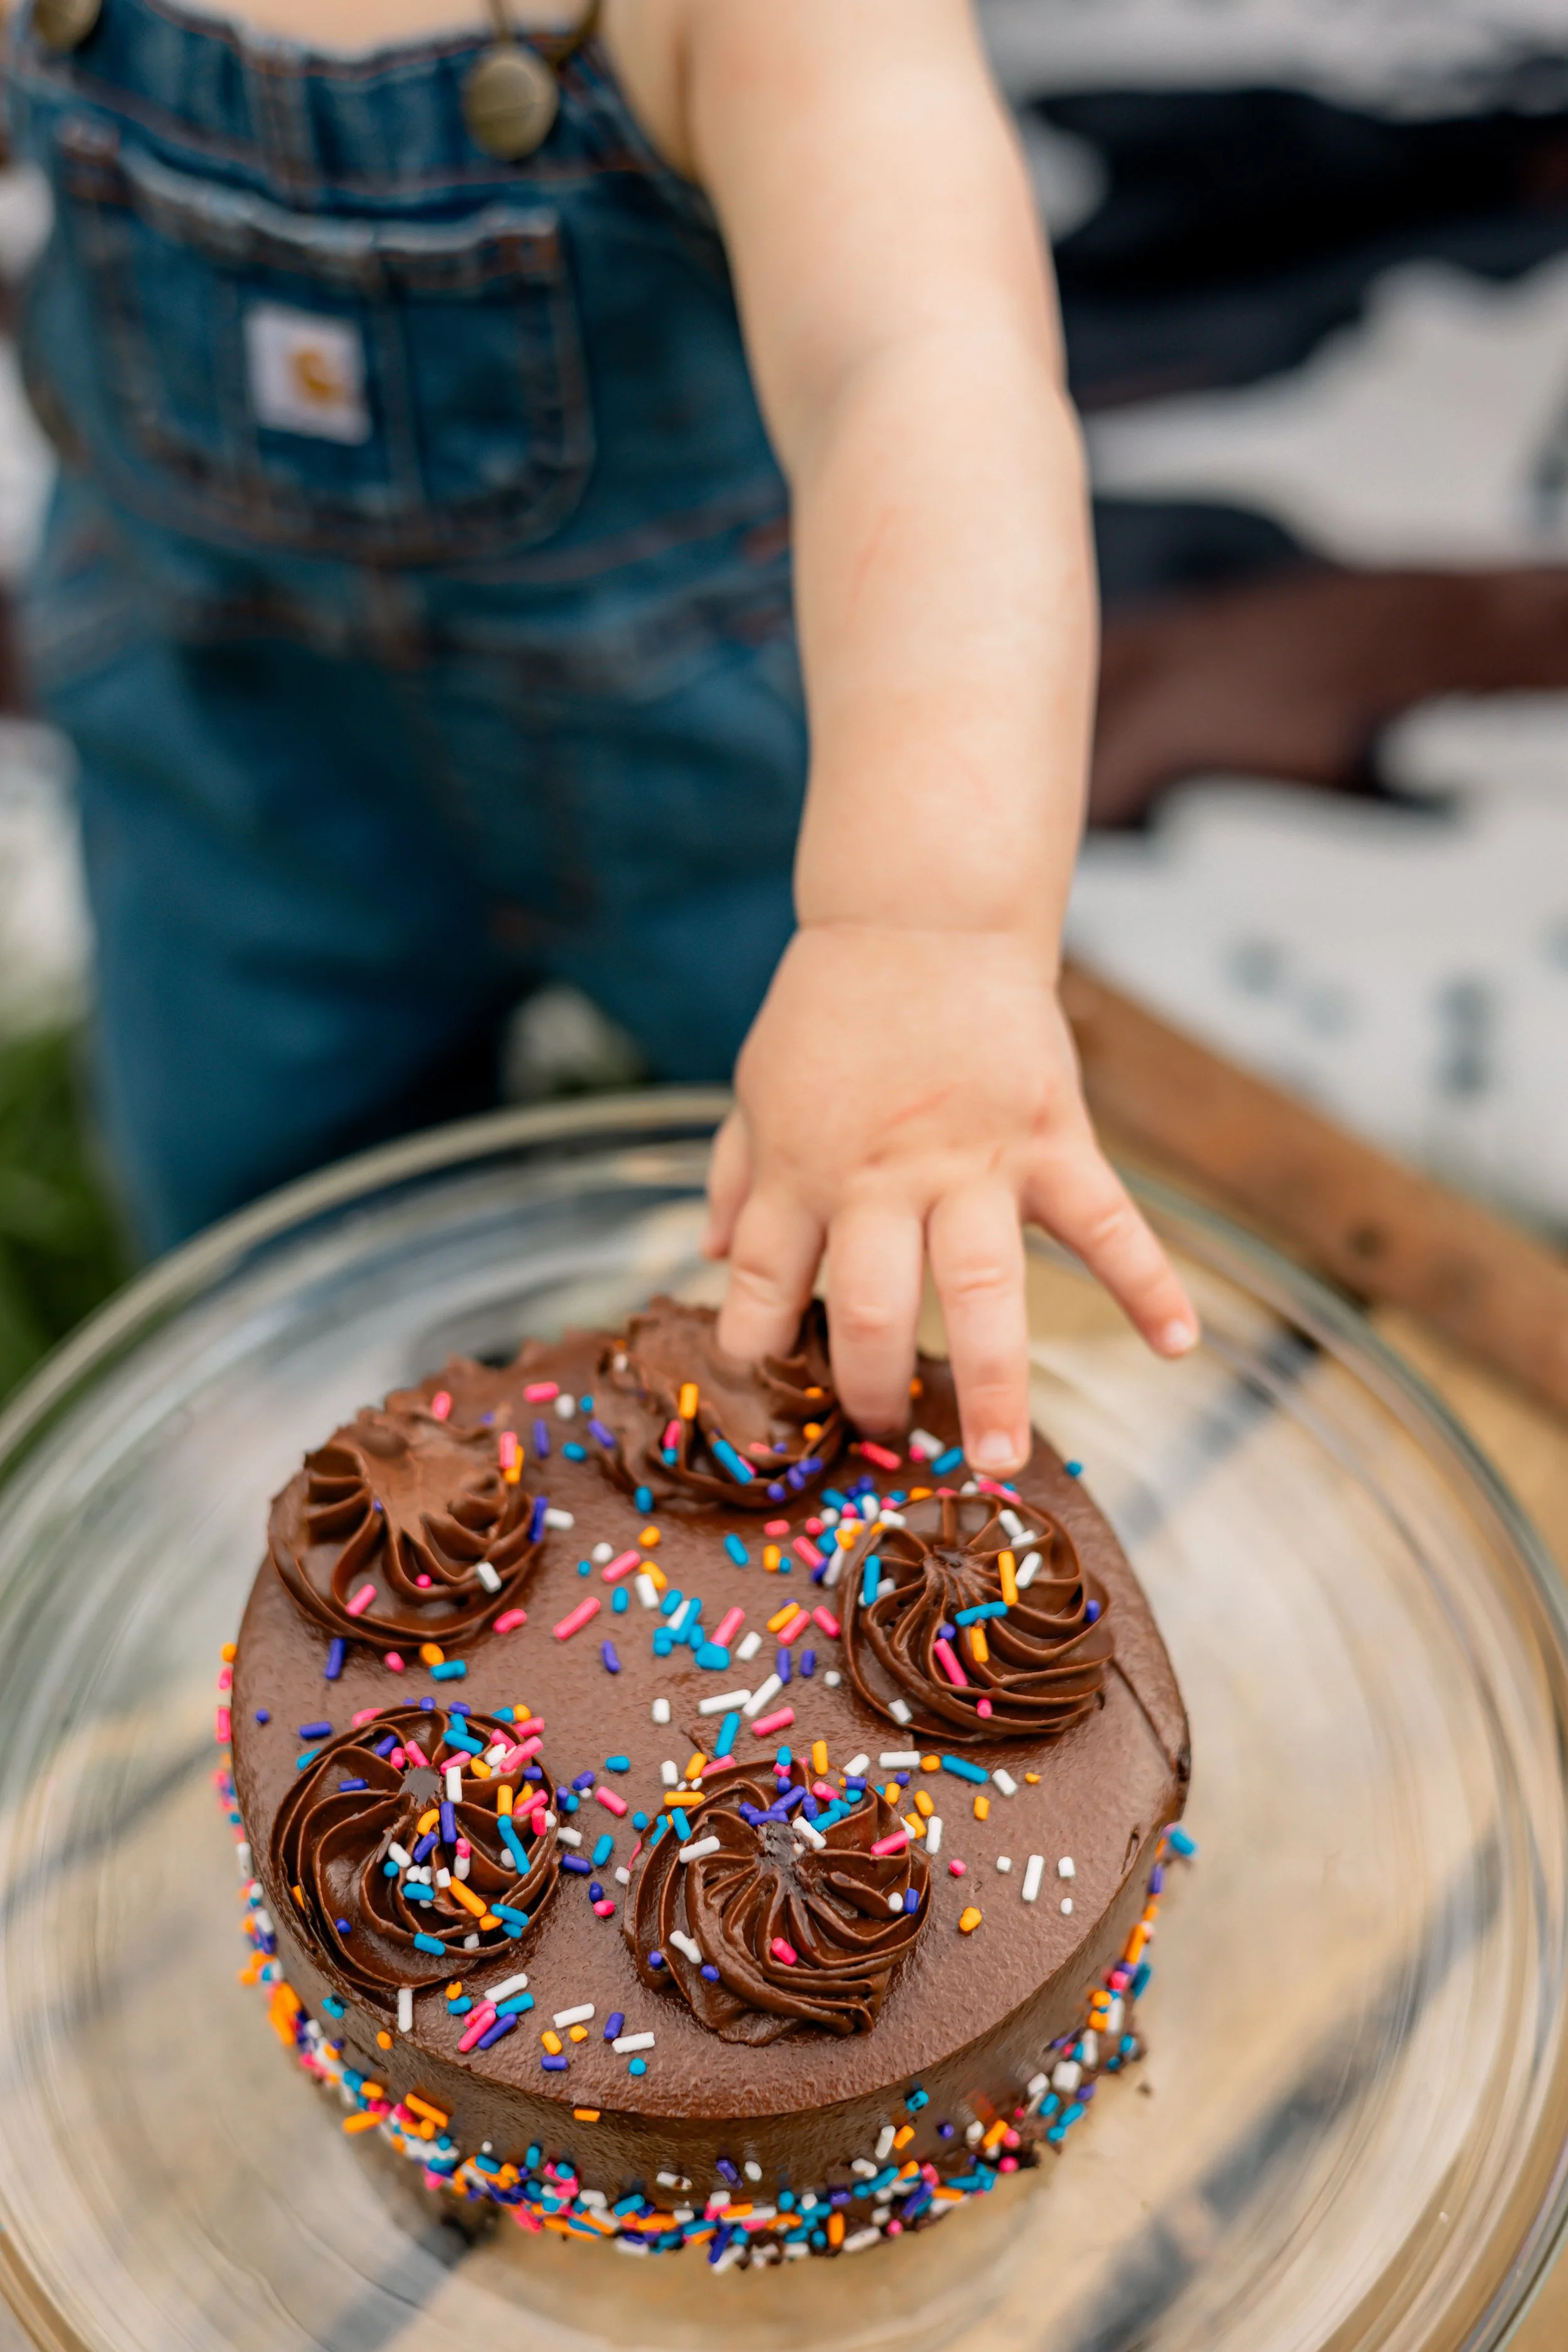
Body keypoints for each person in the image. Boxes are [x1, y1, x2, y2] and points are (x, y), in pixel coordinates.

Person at [3, 0, 1198, 1473]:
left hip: (734, 802)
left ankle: (904, 1506)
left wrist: (922, 933)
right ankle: (327, 1515)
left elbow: (920, 367)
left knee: (873, 1229)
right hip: (239, 771)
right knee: (262, 1239)